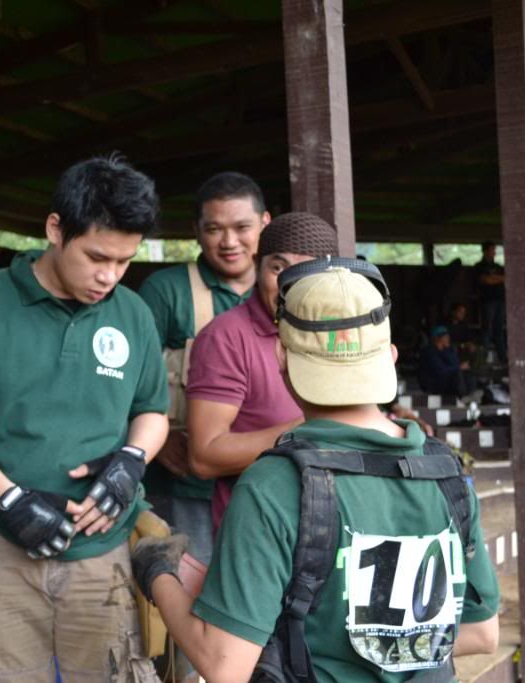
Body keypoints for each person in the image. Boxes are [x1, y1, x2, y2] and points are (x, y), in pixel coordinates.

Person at [131, 258, 500, 682]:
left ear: (281, 357)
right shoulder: (445, 474)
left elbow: (223, 666)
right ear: (391, 356)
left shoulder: (275, 485)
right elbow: (480, 631)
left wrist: (157, 573)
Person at [0, 155, 169, 683]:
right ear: (55, 229)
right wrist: (8, 499)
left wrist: (132, 460)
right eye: (96, 256)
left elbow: (152, 410)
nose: (109, 276)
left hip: (104, 547)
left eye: (124, 261)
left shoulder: (132, 313)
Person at [136, 172, 269, 683]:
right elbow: (130, 379)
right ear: (196, 231)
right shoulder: (168, 292)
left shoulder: (284, 289)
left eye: (241, 227)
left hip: (261, 495)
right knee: (193, 618)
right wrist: (160, 436)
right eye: (215, 229)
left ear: (264, 224)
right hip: (187, 489)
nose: (229, 241)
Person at [184, 212, 339, 531]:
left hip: (331, 522)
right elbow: (204, 456)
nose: (289, 285)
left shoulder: (341, 330)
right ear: (258, 267)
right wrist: (312, 427)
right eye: (278, 268)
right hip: (259, 529)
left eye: (307, 270)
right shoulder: (226, 337)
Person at [418, 326, 479, 401]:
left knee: (467, 372)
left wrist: (451, 351)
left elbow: (454, 363)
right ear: (438, 338)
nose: (448, 339)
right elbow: (440, 370)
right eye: (445, 337)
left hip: (445, 379)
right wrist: (458, 367)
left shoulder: (447, 350)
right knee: (457, 374)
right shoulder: (430, 352)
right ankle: (463, 397)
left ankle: (470, 394)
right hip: (433, 382)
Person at [473, 240, 506, 362]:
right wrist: (498, 279)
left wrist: (494, 278)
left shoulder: (498, 267)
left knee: (499, 329)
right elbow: (485, 280)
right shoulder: (479, 266)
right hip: (487, 301)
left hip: (500, 300)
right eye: (492, 250)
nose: (494, 253)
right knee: (486, 329)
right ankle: (483, 357)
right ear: (485, 251)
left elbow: (506, 278)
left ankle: (503, 357)